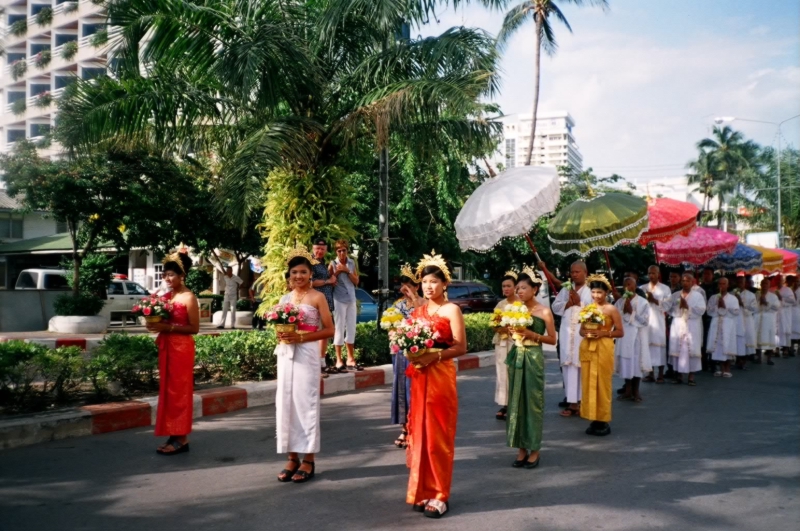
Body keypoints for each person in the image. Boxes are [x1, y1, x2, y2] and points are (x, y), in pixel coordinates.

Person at [405, 251, 466, 519]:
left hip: (441, 376)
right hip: (420, 377)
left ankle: (441, 494)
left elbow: (461, 346)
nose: (429, 286)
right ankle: (422, 490)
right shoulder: (417, 311)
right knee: (420, 434)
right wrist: (411, 352)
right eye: (425, 282)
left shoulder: (452, 309)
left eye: (434, 281)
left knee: (438, 436)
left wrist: (435, 355)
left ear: (445, 284)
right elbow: (410, 341)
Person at [274, 246, 335, 484]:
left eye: (302, 271)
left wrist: (301, 337)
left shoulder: (318, 297)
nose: (298, 276)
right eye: (294, 272)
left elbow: (329, 330)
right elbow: (279, 328)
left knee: (305, 404)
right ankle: (291, 457)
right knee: (285, 403)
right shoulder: (284, 299)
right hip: (286, 354)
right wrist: (282, 335)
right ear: (289, 275)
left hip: (307, 354)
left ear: (311, 274)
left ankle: (308, 458)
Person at [146, 252, 200, 455]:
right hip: (167, 346)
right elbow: (160, 319)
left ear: (182, 275)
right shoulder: (166, 296)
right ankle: (172, 433)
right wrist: (153, 323)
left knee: (179, 392)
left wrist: (167, 328)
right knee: (168, 391)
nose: (167, 278)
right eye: (165, 274)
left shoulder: (188, 297)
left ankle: (182, 438)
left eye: (171, 275)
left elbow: (194, 328)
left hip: (182, 348)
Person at [505, 267, 556, 469]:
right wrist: (512, 331)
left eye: (524, 288)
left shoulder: (544, 311)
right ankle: (520, 449)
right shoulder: (515, 309)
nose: (519, 291)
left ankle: (535, 449)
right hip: (517, 355)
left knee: (533, 402)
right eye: (518, 288)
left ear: (535, 289)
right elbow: (511, 334)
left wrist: (530, 334)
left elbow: (552, 339)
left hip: (533, 356)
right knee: (516, 402)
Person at [578, 274, 623, 436]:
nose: (596, 296)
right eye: (594, 292)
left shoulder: (611, 309)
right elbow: (581, 330)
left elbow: (620, 332)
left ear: (606, 293)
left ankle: (603, 419)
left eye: (600, 292)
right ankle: (592, 417)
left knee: (602, 384)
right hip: (588, 347)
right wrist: (588, 333)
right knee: (588, 383)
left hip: (604, 348)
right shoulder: (587, 309)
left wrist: (603, 334)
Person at [551, 261, 592, 418]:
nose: (574, 275)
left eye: (577, 272)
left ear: (585, 272)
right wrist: (568, 303)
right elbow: (555, 306)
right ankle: (572, 402)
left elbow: (595, 309)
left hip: (582, 334)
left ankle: (582, 402)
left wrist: (579, 302)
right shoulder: (565, 289)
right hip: (567, 333)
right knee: (568, 366)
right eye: (572, 272)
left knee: (581, 366)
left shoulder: (590, 291)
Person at [390, 264, 422, 449]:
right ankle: (405, 428)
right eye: (402, 285)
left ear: (416, 286)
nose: (404, 289)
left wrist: (415, 300)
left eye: (408, 285)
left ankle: (417, 429)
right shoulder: (398, 305)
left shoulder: (424, 303)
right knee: (400, 390)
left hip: (418, 354)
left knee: (414, 391)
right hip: (399, 352)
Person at [666, 273, 706, 386]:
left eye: (688, 281)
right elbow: (669, 309)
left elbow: (702, 310)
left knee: (691, 350)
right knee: (678, 349)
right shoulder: (675, 295)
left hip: (692, 325)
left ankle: (691, 376)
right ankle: (678, 375)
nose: (685, 283)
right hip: (678, 324)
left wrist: (687, 306)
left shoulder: (698, 296)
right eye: (683, 280)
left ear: (692, 282)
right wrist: (678, 307)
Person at [615, 277, 651, 402]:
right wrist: (623, 310)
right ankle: (628, 390)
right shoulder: (620, 301)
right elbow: (615, 318)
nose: (627, 287)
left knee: (636, 363)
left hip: (637, 337)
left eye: (629, 284)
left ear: (635, 287)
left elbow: (646, 321)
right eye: (625, 285)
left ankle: (636, 391)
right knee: (626, 363)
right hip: (624, 336)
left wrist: (632, 312)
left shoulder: (643, 302)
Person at [329, 239, 361, 371]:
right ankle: (338, 359)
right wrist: (337, 271)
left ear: (347, 250)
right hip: (339, 299)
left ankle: (350, 358)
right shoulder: (332, 263)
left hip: (351, 298)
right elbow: (329, 281)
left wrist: (347, 270)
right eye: (339, 250)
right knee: (339, 328)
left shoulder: (352, 263)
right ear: (336, 252)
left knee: (351, 327)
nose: (342, 253)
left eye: (344, 250)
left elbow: (356, 281)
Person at [493, 270, 519, 421]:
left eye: (509, 286)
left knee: (515, 372)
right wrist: (500, 327)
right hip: (502, 342)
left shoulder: (521, 304)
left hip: (517, 342)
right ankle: (504, 404)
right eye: (503, 286)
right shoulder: (500, 304)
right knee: (502, 373)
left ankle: (516, 404)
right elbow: (494, 324)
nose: (506, 289)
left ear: (516, 287)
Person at [310, 238, 338, 375]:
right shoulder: (309, 262)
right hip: (315, 303)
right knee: (316, 332)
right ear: (312, 248)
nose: (319, 251)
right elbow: (311, 282)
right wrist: (328, 281)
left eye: (322, 249)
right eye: (317, 248)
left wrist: (331, 282)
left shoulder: (322, 263)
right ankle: (315, 364)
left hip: (327, 302)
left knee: (325, 333)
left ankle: (321, 362)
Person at [640, 265, 671, 384]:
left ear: (658, 274)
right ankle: (650, 373)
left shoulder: (665, 289)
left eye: (653, 273)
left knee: (659, 347)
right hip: (646, 322)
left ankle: (661, 375)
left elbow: (668, 305)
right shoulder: (643, 288)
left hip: (658, 322)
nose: (651, 275)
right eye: (649, 273)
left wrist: (654, 300)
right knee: (647, 347)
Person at [706, 277, 740, 378]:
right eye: (720, 284)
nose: (721, 286)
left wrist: (725, 306)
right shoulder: (713, 297)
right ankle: (720, 368)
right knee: (718, 345)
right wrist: (717, 306)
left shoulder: (733, 298)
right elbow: (708, 311)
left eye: (724, 284)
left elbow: (736, 312)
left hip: (728, 324)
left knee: (727, 344)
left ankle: (727, 368)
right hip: (716, 323)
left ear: (727, 285)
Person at [755, 277, 781, 366]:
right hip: (758, 318)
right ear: (760, 285)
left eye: (766, 284)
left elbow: (777, 307)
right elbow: (753, 306)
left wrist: (766, 303)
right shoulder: (757, 295)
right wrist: (759, 302)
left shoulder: (773, 296)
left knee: (769, 338)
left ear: (769, 285)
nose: (764, 285)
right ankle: (758, 358)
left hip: (768, 320)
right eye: (763, 284)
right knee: (758, 338)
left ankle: (769, 359)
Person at [734, 275, 758, 370]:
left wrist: (742, 303)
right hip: (736, 321)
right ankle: (737, 359)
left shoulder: (751, 295)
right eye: (738, 282)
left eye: (742, 282)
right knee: (737, 340)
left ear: (745, 283)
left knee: (746, 340)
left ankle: (744, 361)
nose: (740, 284)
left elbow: (754, 309)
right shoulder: (732, 293)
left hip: (747, 320)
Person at [698, 267, 717, 371]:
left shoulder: (716, 288)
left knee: (713, 338)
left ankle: (713, 362)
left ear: (712, 275)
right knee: (703, 339)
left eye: (708, 274)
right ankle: (703, 362)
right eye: (704, 274)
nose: (706, 276)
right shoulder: (699, 288)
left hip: (713, 317)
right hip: (702, 317)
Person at [777, 275, 797, 358]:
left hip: (785, 313)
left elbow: (793, 301)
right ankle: (776, 349)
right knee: (777, 331)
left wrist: (782, 299)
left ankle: (786, 349)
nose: (779, 282)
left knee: (785, 330)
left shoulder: (787, 290)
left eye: (780, 280)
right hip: (777, 313)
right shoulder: (774, 290)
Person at [791, 275, 800, 355]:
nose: (796, 283)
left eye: (797, 282)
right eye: (795, 281)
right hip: (790, 312)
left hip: (798, 311)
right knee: (791, 330)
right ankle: (791, 348)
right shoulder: (790, 290)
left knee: (798, 330)